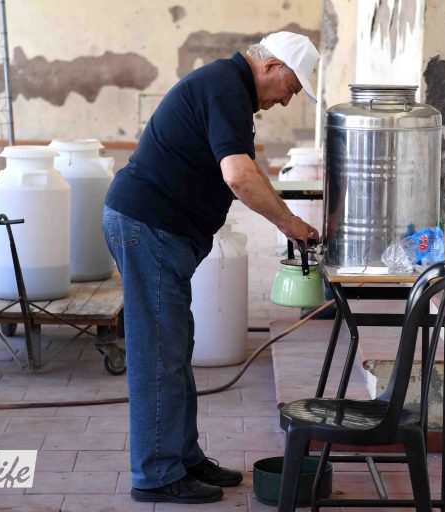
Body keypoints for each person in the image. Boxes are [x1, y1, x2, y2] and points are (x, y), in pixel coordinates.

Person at [103, 31, 321, 504]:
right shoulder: (225, 88)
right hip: (148, 226)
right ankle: (156, 475)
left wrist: (289, 219)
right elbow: (238, 177)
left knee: (174, 347)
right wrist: (288, 224)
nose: (286, 101)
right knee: (158, 354)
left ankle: (183, 457)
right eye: (291, 88)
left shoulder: (229, 89)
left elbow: (249, 169)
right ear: (271, 66)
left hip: (158, 229)